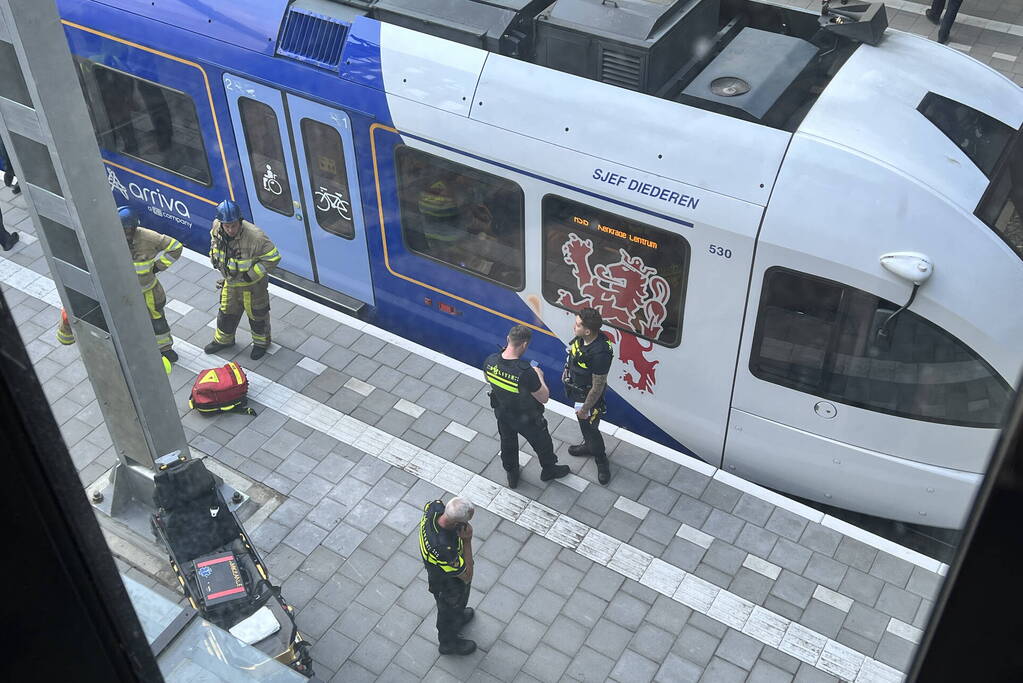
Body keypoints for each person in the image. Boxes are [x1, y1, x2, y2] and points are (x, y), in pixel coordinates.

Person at [484, 325, 570, 488]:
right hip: (528, 419)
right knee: (543, 445)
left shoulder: (490, 361)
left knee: (507, 444)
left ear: (508, 339)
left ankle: (512, 474)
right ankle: (548, 470)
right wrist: (539, 375)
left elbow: (489, 380)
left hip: (503, 414)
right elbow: (544, 397)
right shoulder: (526, 372)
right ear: (524, 345)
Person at [203, 199, 281, 360]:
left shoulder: (256, 237)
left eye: (234, 225)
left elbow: (273, 258)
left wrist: (250, 274)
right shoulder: (217, 226)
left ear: (240, 221)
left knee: (258, 317)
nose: (231, 229)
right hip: (231, 284)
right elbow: (214, 242)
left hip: (253, 287)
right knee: (226, 314)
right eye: (227, 226)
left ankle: (261, 344)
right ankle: (224, 341)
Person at [120, 206, 183, 363]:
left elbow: (175, 247)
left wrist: (158, 266)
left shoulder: (148, 238)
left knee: (158, 322)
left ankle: (165, 349)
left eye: (129, 228)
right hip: (124, 292)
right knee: (128, 321)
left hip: (149, 291)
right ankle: (136, 347)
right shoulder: (110, 238)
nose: (127, 232)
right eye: (124, 228)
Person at [419, 496, 477, 656]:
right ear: (457, 524)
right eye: (467, 522)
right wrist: (467, 541)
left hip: (441, 574)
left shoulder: (434, 506)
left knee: (454, 610)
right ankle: (449, 643)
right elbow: (467, 576)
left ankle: (458, 615)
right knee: (448, 613)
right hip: (447, 585)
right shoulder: (445, 548)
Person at [564, 307, 614, 485]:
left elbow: (598, 386)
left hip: (588, 398)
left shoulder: (600, 353)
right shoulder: (583, 338)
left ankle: (600, 459)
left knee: (591, 428)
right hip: (578, 391)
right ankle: (588, 444)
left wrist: (585, 408)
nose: (574, 327)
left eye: (577, 325)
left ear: (587, 330)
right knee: (585, 426)